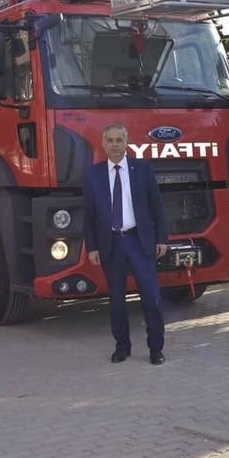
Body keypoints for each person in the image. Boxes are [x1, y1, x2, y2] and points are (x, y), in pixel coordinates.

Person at [83, 123, 169, 365]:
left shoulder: (142, 169)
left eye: (119, 140)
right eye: (109, 140)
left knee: (151, 297)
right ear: (103, 143)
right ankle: (122, 347)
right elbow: (88, 215)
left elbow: (157, 207)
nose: (114, 145)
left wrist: (162, 238)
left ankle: (156, 349)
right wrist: (92, 247)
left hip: (140, 242)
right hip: (111, 244)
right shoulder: (93, 174)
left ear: (126, 142)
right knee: (117, 302)